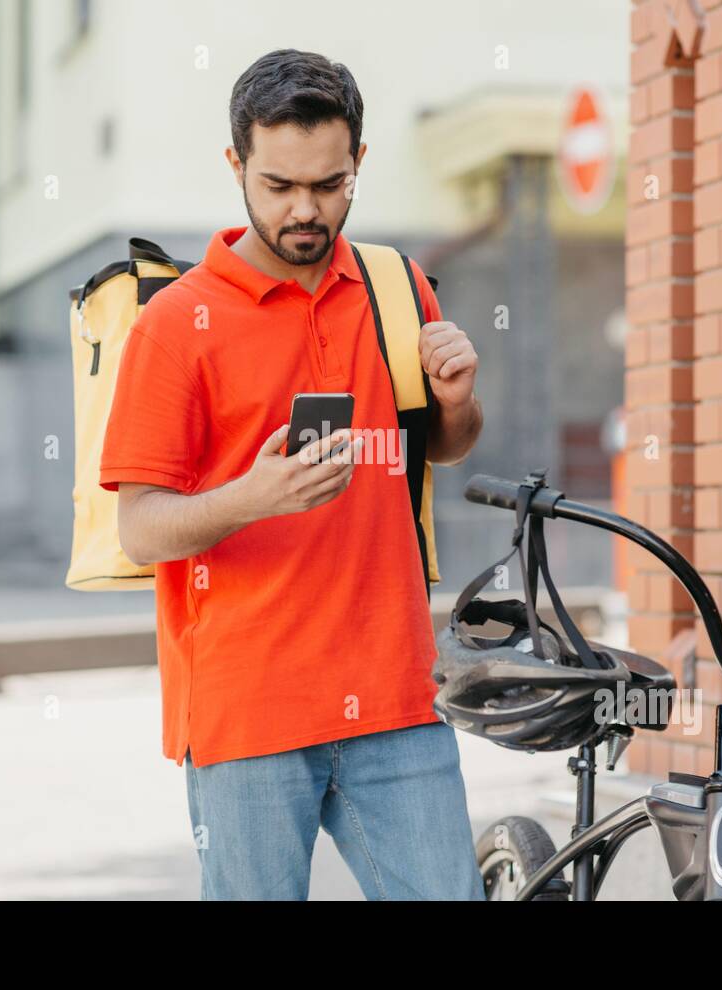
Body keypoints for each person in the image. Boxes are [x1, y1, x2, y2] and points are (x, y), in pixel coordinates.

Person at [99, 48, 485, 900]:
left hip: (396, 698)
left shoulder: (397, 286)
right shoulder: (175, 326)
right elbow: (141, 526)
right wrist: (252, 498)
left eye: (329, 184)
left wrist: (456, 399)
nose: (306, 210)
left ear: (359, 164)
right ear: (236, 164)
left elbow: (443, 448)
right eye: (279, 186)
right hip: (247, 713)